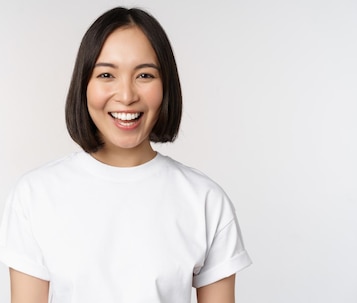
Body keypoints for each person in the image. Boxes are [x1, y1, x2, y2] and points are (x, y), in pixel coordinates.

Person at [0, 7, 252, 303]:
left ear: (165, 86)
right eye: (106, 74)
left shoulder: (205, 200)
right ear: (84, 85)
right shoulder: (35, 195)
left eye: (144, 75)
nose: (127, 95)